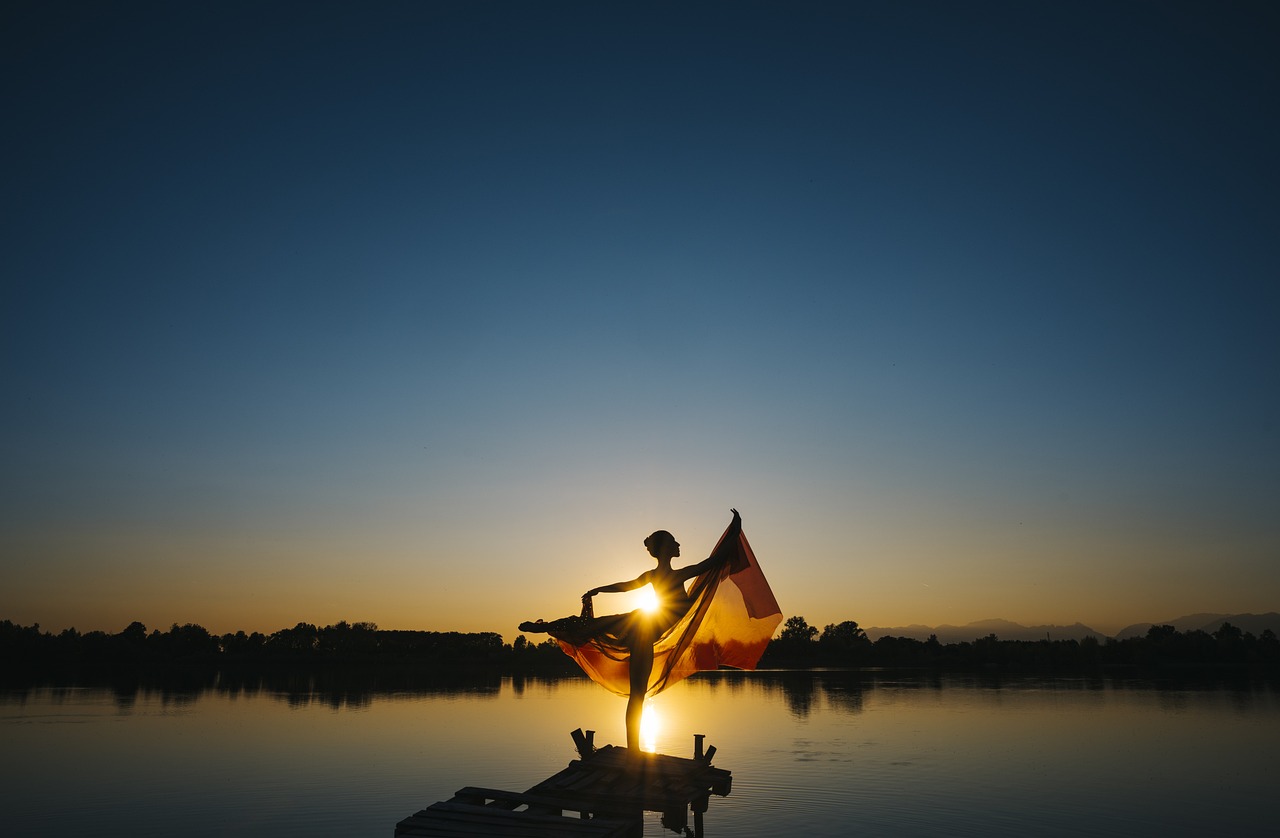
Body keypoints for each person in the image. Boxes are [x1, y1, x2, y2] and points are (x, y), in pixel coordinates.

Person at [582, 509, 739, 751]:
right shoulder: (676, 575)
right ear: (666, 549)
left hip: (644, 629)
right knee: (637, 695)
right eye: (674, 542)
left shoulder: (658, 576)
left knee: (637, 695)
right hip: (643, 632)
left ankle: (633, 749)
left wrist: (734, 530)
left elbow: (627, 586)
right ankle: (633, 751)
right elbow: (713, 562)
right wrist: (736, 530)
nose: (679, 545)